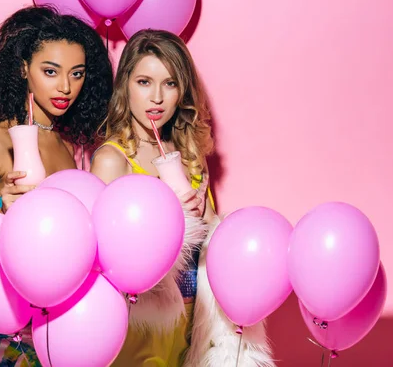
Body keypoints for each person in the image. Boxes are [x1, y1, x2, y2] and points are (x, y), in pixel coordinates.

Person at [0, 5, 113, 367]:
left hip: (63, 332)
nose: (65, 87)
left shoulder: (67, 146)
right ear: (23, 69)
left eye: (77, 74)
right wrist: (0, 205)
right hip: (7, 336)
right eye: (50, 71)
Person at [91, 29, 273, 366]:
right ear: (125, 86)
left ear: (182, 91)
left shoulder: (190, 156)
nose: (157, 97)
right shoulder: (112, 160)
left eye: (170, 83)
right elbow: (101, 262)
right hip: (139, 324)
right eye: (144, 82)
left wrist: (205, 222)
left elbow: (210, 250)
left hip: (193, 320)